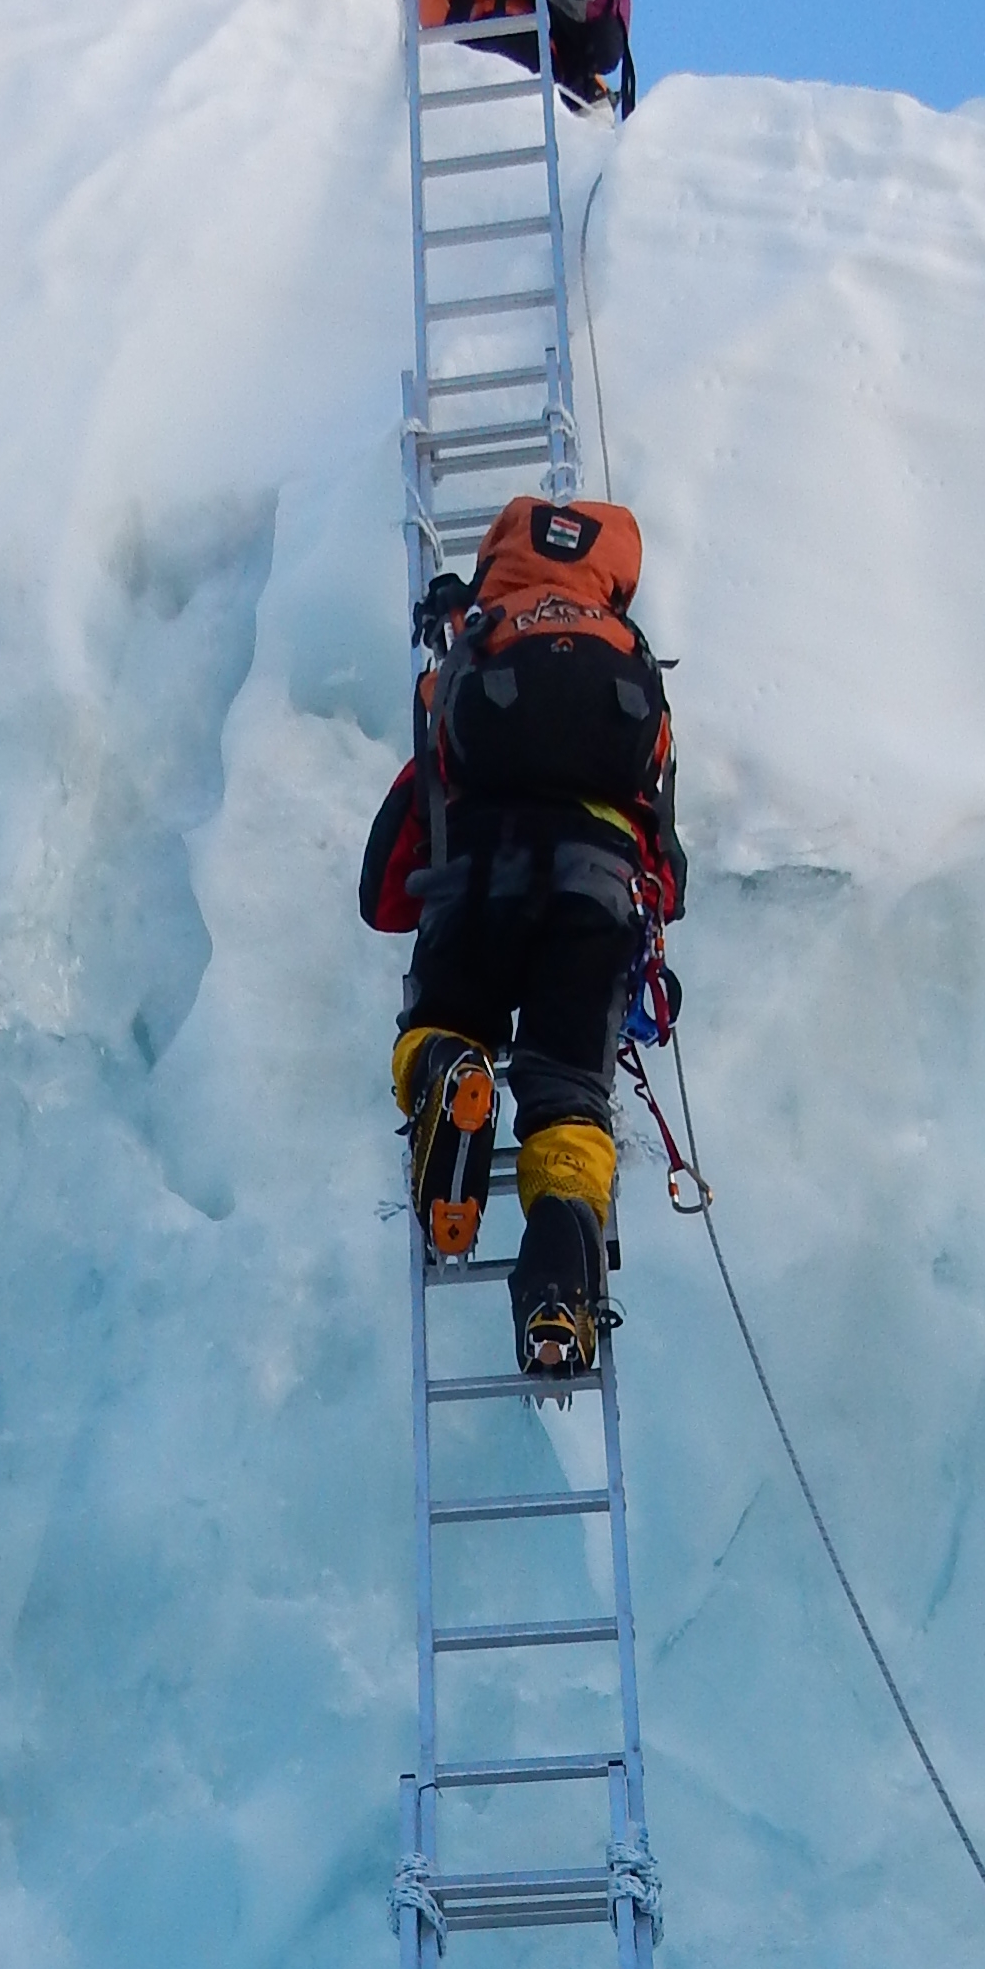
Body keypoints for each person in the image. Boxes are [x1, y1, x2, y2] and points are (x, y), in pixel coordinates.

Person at [358, 495, 683, 1377]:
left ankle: (448, 1071)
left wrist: (408, 904)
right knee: (570, 1104)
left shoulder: (475, 644)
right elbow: (665, 852)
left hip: (478, 877)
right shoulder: (629, 664)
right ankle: (557, 1290)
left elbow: (399, 836)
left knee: (443, 1022)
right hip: (597, 895)